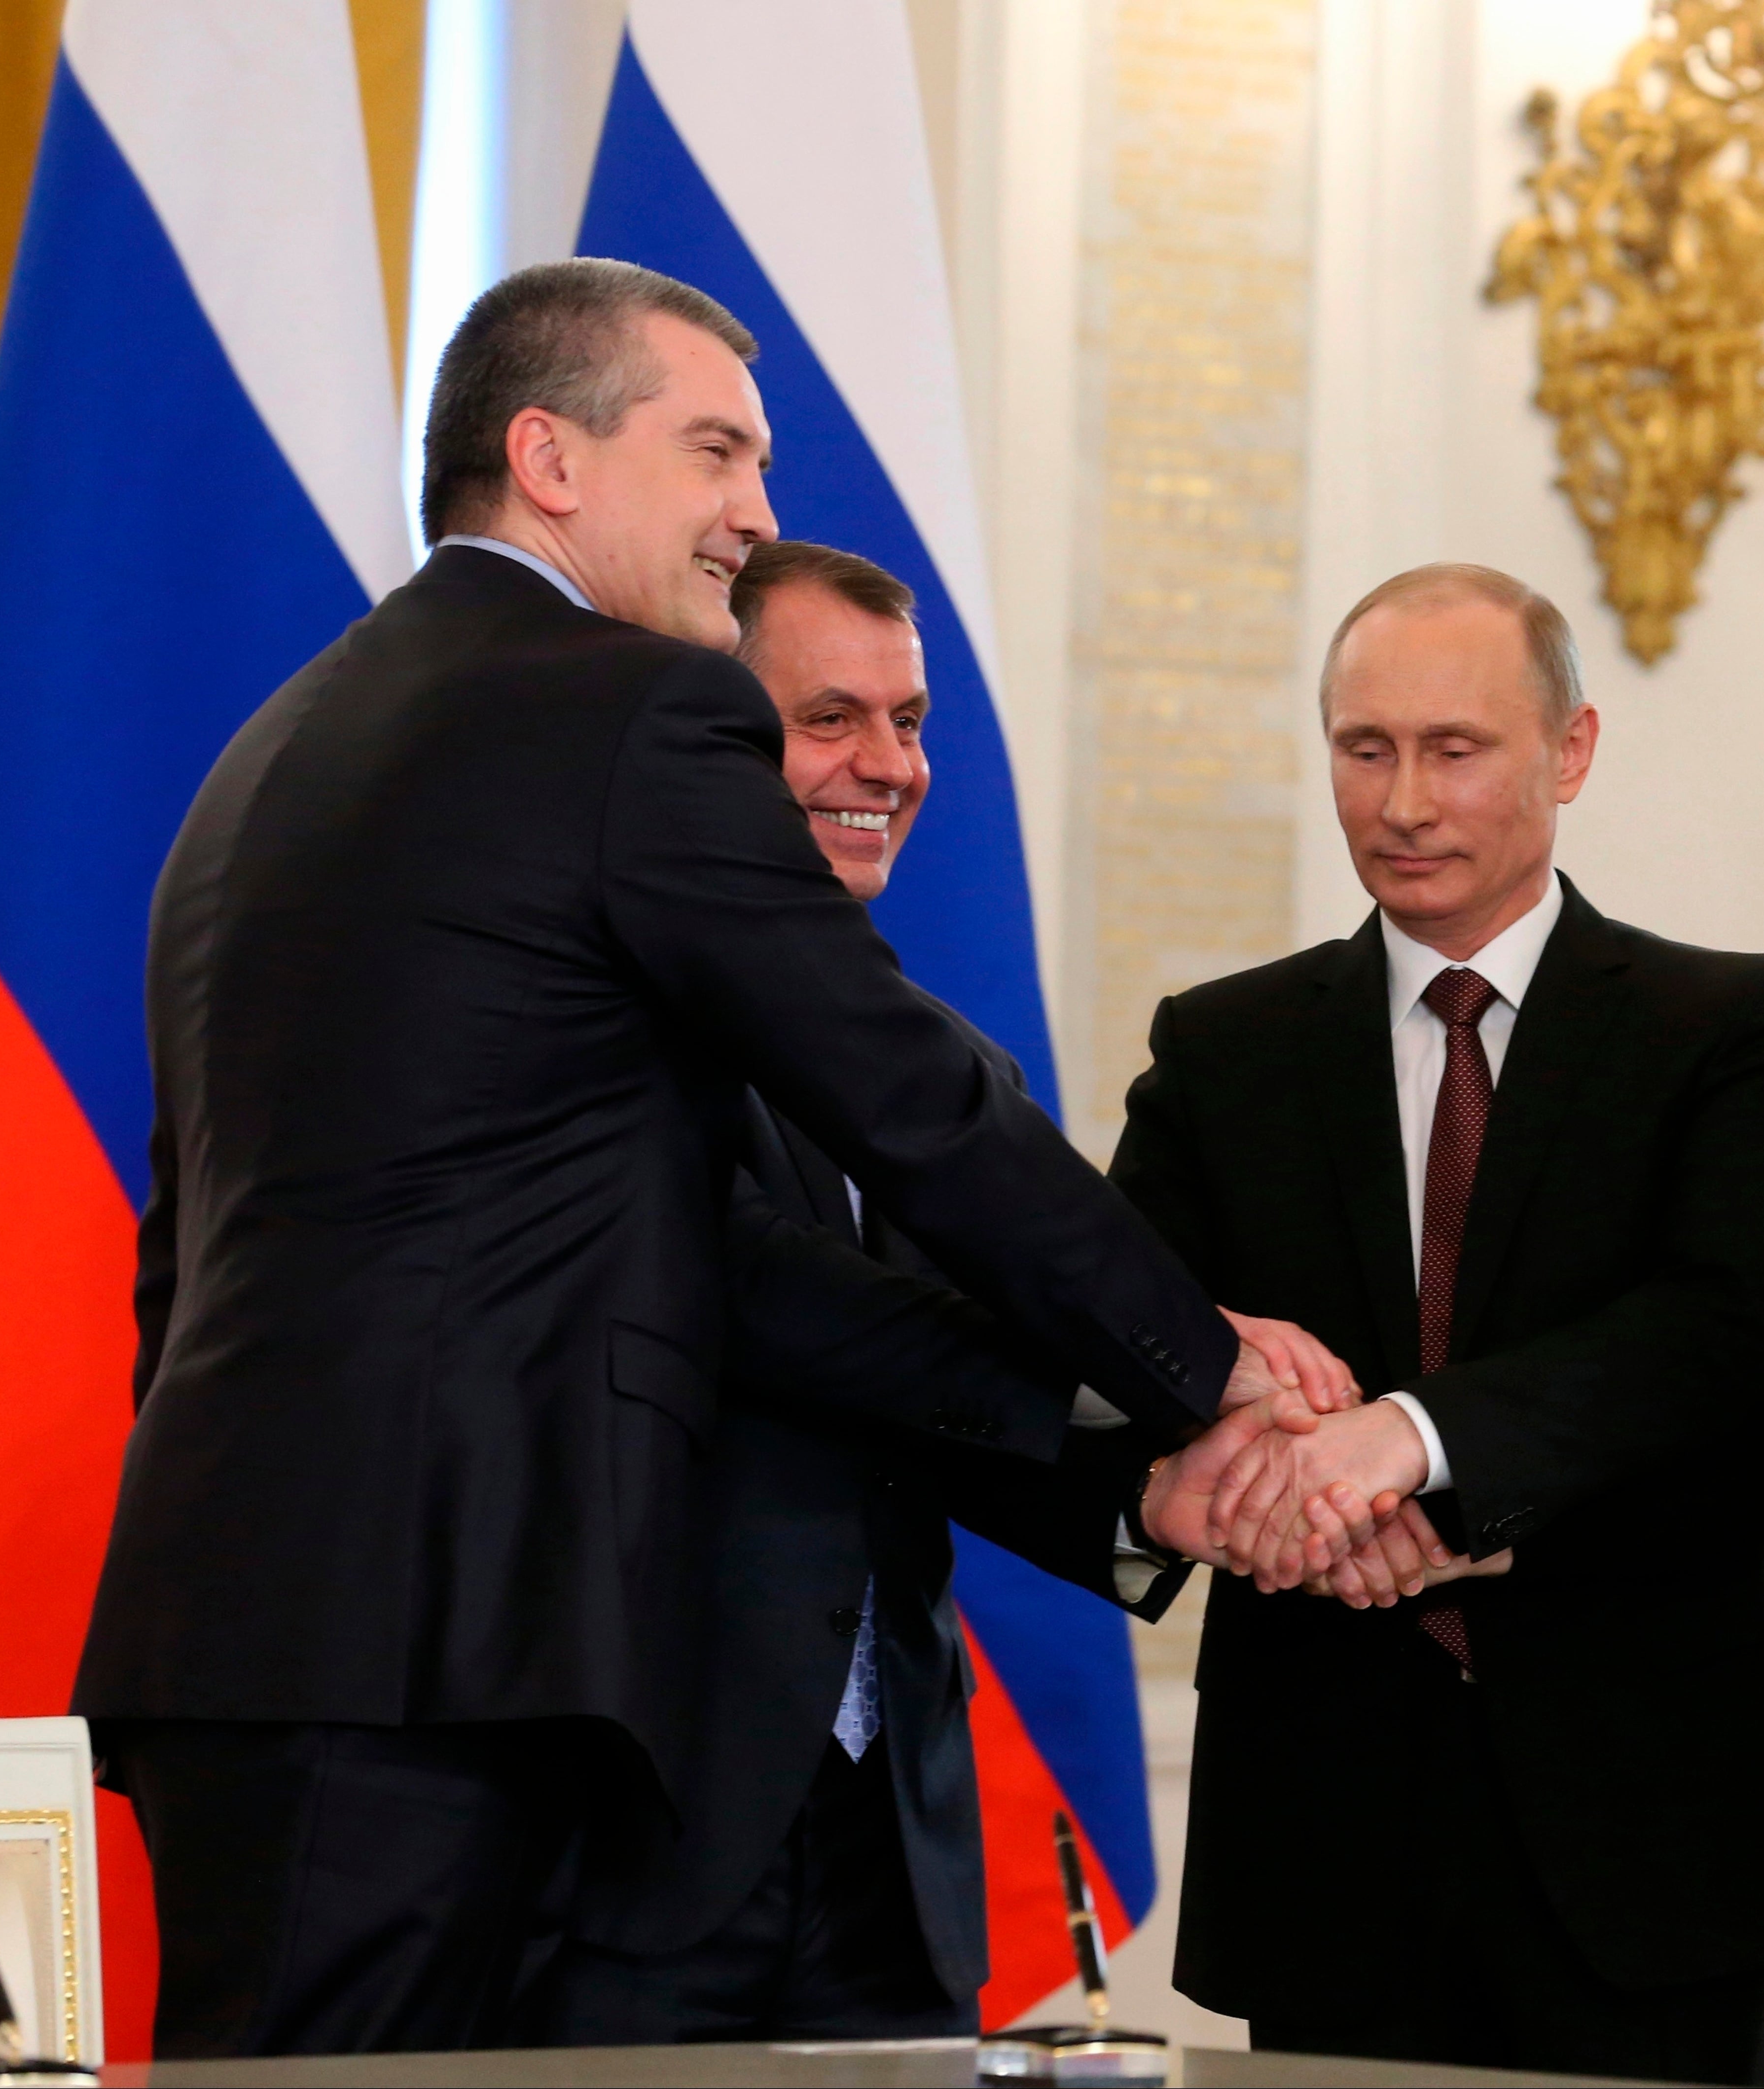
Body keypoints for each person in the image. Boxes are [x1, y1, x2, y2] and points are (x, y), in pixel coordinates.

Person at [71, 260, 1338, 2058]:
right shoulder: (624, 708)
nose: (758, 513)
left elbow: (187, 1246)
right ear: (552, 459)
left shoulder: (280, 746)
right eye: (720, 451)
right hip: (428, 1646)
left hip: (260, 1628)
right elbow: (911, 1104)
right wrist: (1204, 1368)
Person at [525, 539, 1313, 2043]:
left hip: (897, 1844)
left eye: (912, 719)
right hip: (641, 1838)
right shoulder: (614, 1039)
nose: (886, 762)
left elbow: (949, 1408)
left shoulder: (954, 1075)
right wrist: (1187, 1368)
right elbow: (782, 1306)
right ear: (713, 735)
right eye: (832, 718)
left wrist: (1158, 1492)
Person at [1109, 563, 1764, 2086]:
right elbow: (1115, 1353)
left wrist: (1424, 1459)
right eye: (1363, 747)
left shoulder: (1726, 1027)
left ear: (1570, 752)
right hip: (1327, 1833)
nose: (1401, 799)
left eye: (1453, 749)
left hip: (1656, 1827)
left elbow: (1746, 1360)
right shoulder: (1223, 1050)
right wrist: (1264, 1462)